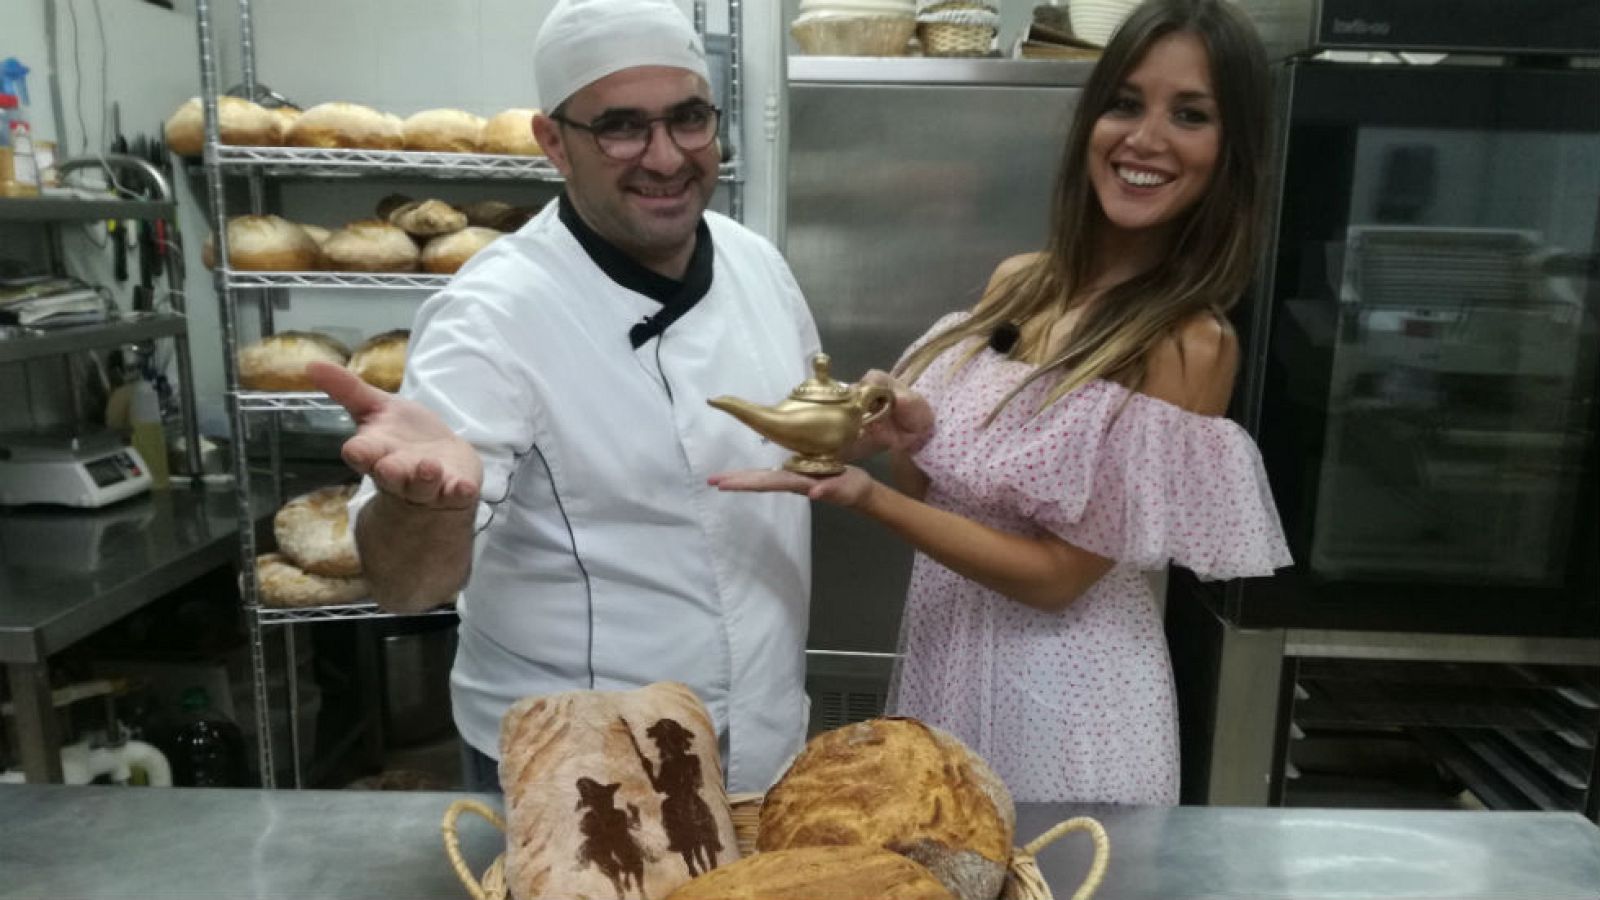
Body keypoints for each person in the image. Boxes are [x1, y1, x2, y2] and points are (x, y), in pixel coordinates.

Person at [712, 0, 1291, 804]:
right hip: (945, 660)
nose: (1145, 138)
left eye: (1189, 114)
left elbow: (1058, 578)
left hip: (1072, 705)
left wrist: (868, 497)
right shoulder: (1020, 283)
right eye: (1125, 103)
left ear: (1232, 153)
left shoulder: (1188, 345)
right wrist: (913, 437)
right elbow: (936, 496)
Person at [307, 0, 826, 794]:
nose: (666, 156)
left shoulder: (758, 266)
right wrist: (425, 506)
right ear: (554, 142)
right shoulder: (492, 314)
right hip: (582, 762)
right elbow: (408, 586)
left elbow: (798, 441)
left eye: (689, 118)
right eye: (621, 127)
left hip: (765, 730)